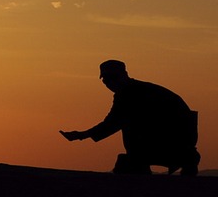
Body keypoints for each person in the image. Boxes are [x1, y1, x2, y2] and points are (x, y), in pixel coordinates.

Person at [61, 60, 200, 175]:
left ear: (124, 75)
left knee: (129, 129)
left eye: (112, 78)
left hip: (173, 140)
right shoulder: (138, 89)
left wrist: (82, 135)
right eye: (106, 79)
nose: (109, 83)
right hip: (180, 141)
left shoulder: (129, 93)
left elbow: (112, 123)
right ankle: (181, 159)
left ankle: (140, 163)